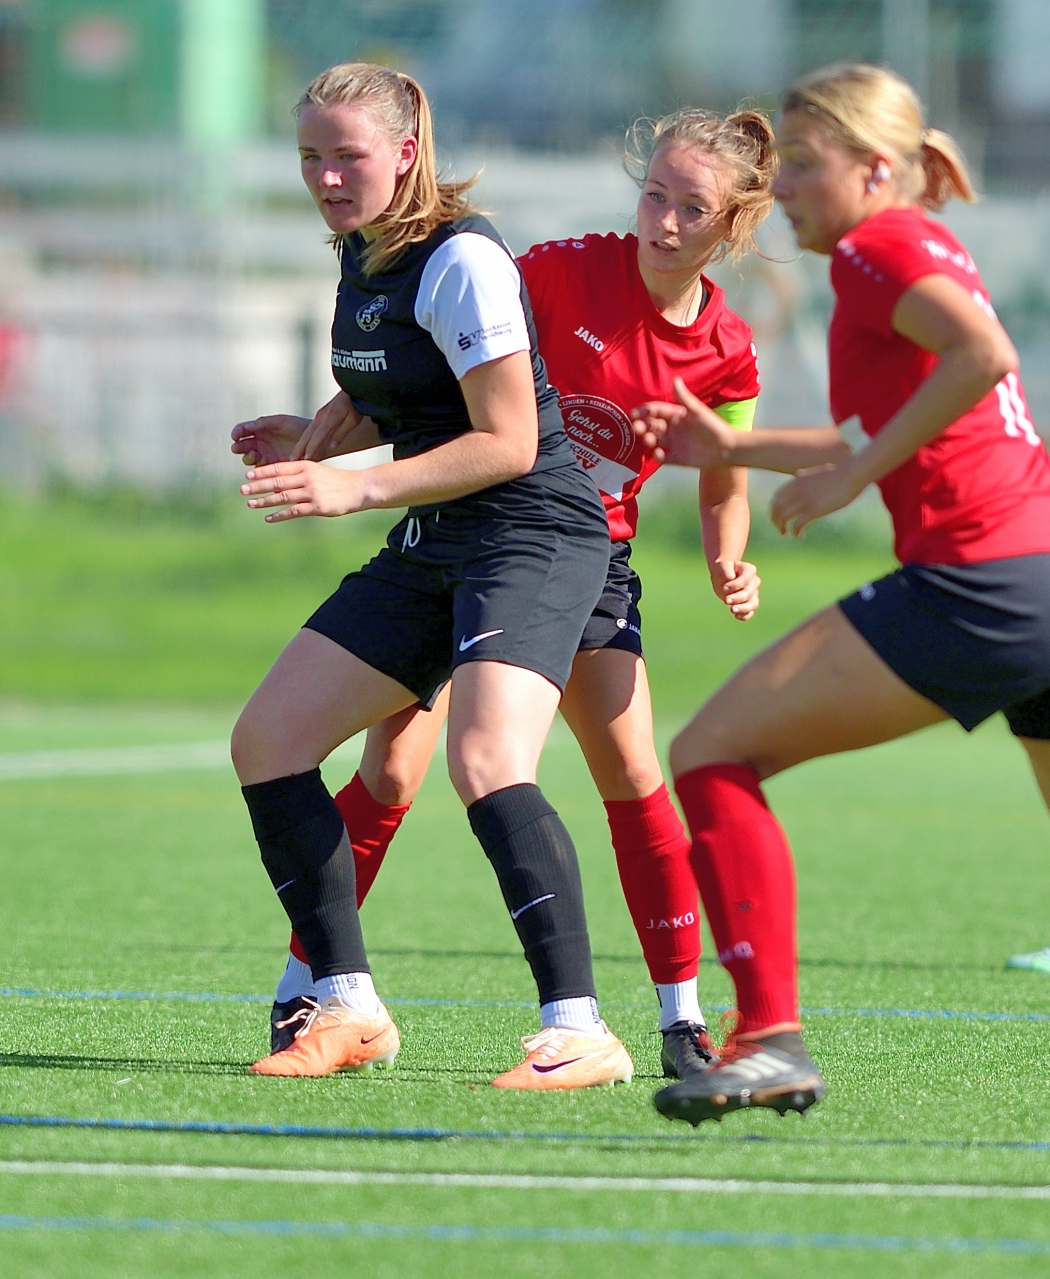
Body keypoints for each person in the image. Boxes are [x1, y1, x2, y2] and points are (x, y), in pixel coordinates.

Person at [252, 107, 776, 1084]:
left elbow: (726, 475)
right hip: (466, 532)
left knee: (628, 772)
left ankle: (680, 1014)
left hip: (584, 559)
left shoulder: (730, 350)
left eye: (689, 207)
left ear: (731, 225)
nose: (661, 220)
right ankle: (315, 990)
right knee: (392, 771)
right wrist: (327, 435)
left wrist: (726, 557)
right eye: (652, 194)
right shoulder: (559, 269)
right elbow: (435, 366)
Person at [631, 63, 1050, 1123]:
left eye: (806, 166)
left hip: (982, 583)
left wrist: (851, 480)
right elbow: (908, 415)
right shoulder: (920, 244)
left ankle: (767, 1036)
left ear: (874, 169)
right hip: (1035, 573)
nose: (787, 191)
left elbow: (981, 355)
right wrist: (738, 447)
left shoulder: (877, 247)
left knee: (711, 752)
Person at [228, 62, 624, 1085]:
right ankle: (347, 1004)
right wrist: (311, 439)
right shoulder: (365, 257)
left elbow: (508, 440)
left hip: (531, 531)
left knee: (487, 761)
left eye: (346, 156)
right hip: (441, 536)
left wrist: (350, 488)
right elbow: (395, 384)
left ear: (407, 153)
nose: (323, 176)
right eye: (310, 155)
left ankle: (581, 1028)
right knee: (270, 741)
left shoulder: (461, 259)